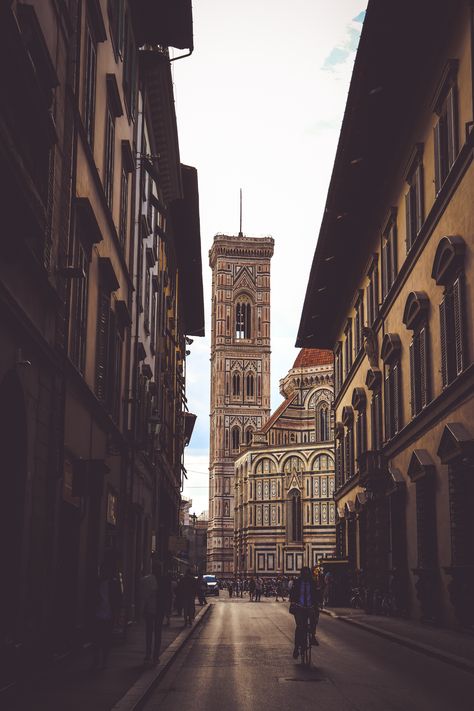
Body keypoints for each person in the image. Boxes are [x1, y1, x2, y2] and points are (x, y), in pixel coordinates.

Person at [92, 549, 123, 670]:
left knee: (105, 640)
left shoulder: (113, 583)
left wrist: (117, 614)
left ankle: (103, 662)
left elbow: (117, 599)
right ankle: (96, 661)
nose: (103, 572)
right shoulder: (98, 583)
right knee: (96, 640)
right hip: (98, 614)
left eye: (105, 570)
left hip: (108, 615)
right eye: (102, 569)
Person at [289, 566, 322, 659]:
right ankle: (296, 647)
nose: (306, 575)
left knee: (314, 619)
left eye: (308, 573)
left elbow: (316, 593)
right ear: (302, 574)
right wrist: (293, 601)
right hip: (299, 607)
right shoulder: (297, 582)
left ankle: (312, 636)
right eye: (305, 573)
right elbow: (292, 593)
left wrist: (319, 602)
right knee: (300, 627)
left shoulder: (312, 583)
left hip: (310, 606)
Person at [141, 559, 168, 665]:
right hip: (159, 610)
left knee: (149, 633)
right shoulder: (163, 580)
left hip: (150, 609)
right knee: (157, 633)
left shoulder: (146, 580)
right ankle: (155, 656)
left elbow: (143, 596)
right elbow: (166, 596)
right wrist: (167, 609)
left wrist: (142, 609)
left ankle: (148, 654)